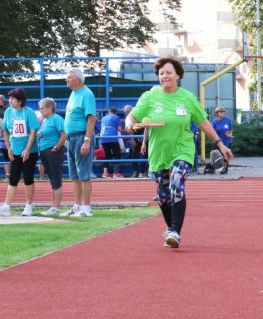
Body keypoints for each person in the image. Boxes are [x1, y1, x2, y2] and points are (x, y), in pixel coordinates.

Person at [125, 56, 233, 248]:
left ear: (177, 75)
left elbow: (204, 123)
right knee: (163, 195)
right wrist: (130, 124)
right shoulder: (150, 96)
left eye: (168, 72)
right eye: (161, 73)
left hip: (182, 149)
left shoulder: (187, 98)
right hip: (158, 153)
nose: (164, 76)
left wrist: (220, 144)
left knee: (176, 185)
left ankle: (175, 230)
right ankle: (170, 229)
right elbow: (132, 116)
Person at [0, 88, 40, 217]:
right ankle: (6, 206)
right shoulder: (8, 112)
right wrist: (8, 148)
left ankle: (29, 206)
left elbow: (33, 131)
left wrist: (28, 149)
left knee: (28, 178)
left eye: (13, 98)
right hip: (15, 150)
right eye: (10, 98)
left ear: (20, 101)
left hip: (29, 151)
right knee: (13, 178)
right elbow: (5, 130)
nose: (10, 101)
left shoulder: (29, 112)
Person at [60, 68, 96, 217]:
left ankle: (86, 208)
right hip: (71, 138)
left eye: (68, 78)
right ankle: (77, 205)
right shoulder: (73, 93)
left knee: (84, 175)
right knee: (74, 175)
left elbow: (91, 118)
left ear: (77, 79)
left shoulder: (86, 94)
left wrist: (86, 141)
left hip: (81, 137)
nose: (66, 80)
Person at [37, 97, 67, 215]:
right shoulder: (44, 121)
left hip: (53, 151)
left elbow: (64, 134)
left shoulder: (57, 119)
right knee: (52, 179)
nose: (41, 111)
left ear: (50, 108)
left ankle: (56, 207)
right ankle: (53, 206)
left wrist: (56, 147)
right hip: (44, 151)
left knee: (56, 178)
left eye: (42, 108)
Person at [99, 107, 124, 178]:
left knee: (107, 155)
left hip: (103, 138)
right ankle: (116, 173)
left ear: (109, 111)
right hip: (113, 138)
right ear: (115, 112)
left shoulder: (103, 118)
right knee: (117, 154)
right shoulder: (116, 117)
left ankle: (105, 173)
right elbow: (119, 129)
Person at [211, 107, 233, 174]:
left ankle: (225, 168)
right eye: (221, 111)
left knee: (225, 154)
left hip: (226, 140)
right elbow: (212, 131)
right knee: (216, 154)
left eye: (223, 111)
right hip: (218, 141)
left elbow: (231, 129)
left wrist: (229, 134)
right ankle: (213, 168)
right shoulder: (214, 121)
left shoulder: (228, 120)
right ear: (217, 113)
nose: (223, 112)